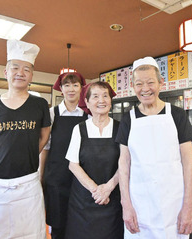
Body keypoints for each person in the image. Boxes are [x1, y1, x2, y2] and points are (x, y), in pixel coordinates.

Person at [0, 39, 51, 239]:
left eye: (26, 69)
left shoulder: (40, 104)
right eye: (15, 67)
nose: (20, 73)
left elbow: (44, 136)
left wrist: (27, 153)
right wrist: (2, 157)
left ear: (31, 75)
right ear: (6, 72)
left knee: (30, 233)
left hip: (28, 182)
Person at [116, 56, 192, 238]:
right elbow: (124, 164)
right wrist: (126, 205)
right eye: (139, 84)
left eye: (150, 82)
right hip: (139, 205)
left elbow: (189, 163)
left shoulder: (177, 115)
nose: (145, 89)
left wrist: (189, 206)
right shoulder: (128, 119)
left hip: (174, 205)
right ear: (133, 86)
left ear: (161, 83)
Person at [64, 82, 124, 239]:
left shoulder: (121, 128)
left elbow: (125, 163)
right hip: (83, 202)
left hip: (112, 199)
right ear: (87, 102)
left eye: (105, 96)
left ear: (111, 101)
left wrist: (108, 189)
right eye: (95, 96)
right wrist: (96, 191)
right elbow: (73, 165)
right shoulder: (79, 129)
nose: (101, 100)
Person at [40, 72, 87, 239]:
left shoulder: (87, 116)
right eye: (67, 85)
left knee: (79, 221)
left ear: (82, 89)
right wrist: (41, 176)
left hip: (80, 178)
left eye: (75, 85)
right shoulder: (52, 114)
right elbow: (46, 147)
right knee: (58, 222)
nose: (71, 89)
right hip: (56, 178)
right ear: (61, 89)